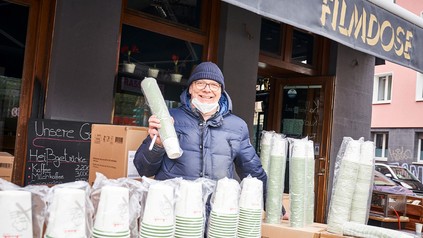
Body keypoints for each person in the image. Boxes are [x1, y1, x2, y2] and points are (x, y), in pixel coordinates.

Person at [133, 61, 267, 190]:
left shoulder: (237, 126)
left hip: (215, 208)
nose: (207, 89)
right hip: (173, 206)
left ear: (221, 91)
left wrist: (273, 206)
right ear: (190, 88)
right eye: (200, 83)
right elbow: (143, 169)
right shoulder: (169, 119)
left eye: (214, 85)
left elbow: (253, 171)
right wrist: (157, 145)